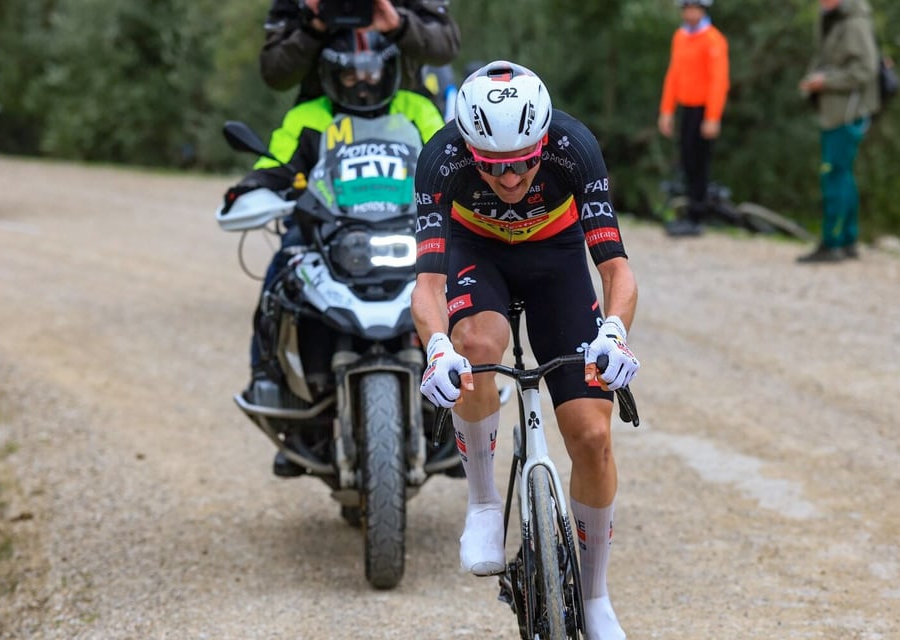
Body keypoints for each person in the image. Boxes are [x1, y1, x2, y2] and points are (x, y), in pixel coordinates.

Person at [412, 61, 640, 640]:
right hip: (476, 253)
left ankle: (594, 595)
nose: (510, 178)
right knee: (475, 345)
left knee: (592, 436)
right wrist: (437, 347)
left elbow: (616, 269)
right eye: (492, 165)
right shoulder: (441, 158)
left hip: (555, 258)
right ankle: (484, 504)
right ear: (469, 149)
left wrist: (615, 332)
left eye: (523, 162)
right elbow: (428, 286)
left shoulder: (574, 147)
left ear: (543, 142)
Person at [224, 28, 445, 473]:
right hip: (325, 231)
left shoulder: (417, 108)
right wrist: (249, 188)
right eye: (349, 76)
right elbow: (275, 163)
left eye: (373, 72)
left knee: (459, 280)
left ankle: (468, 388)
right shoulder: (308, 115)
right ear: (329, 76)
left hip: (405, 227)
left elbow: (448, 157)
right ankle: (270, 380)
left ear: (391, 70)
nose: (363, 82)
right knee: (279, 277)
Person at [795, 0, 879, 263]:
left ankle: (832, 242)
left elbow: (866, 69)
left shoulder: (855, 23)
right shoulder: (832, 18)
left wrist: (826, 82)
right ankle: (847, 240)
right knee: (843, 174)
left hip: (846, 112)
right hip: (833, 110)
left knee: (834, 174)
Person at [259, 0, 459, 104]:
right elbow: (275, 75)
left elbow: (445, 48)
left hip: (403, 111)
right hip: (323, 121)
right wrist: (313, 26)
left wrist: (399, 24)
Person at [657, 0, 729, 238]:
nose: (690, 12)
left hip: (703, 110)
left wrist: (713, 117)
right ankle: (689, 212)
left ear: (703, 9)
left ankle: (696, 216)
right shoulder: (680, 36)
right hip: (686, 108)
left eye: (694, 7)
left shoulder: (714, 40)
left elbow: (719, 81)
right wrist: (667, 110)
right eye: (686, 7)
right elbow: (673, 74)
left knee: (699, 162)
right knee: (687, 160)